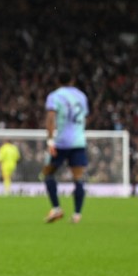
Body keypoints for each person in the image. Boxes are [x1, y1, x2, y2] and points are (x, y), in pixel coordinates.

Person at [42, 72, 89, 224]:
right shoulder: (82, 96)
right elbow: (84, 117)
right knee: (79, 179)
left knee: (48, 173)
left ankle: (56, 208)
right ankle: (77, 215)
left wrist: (50, 140)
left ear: (57, 81)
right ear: (72, 80)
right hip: (79, 141)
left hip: (62, 142)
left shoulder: (55, 96)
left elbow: (50, 118)